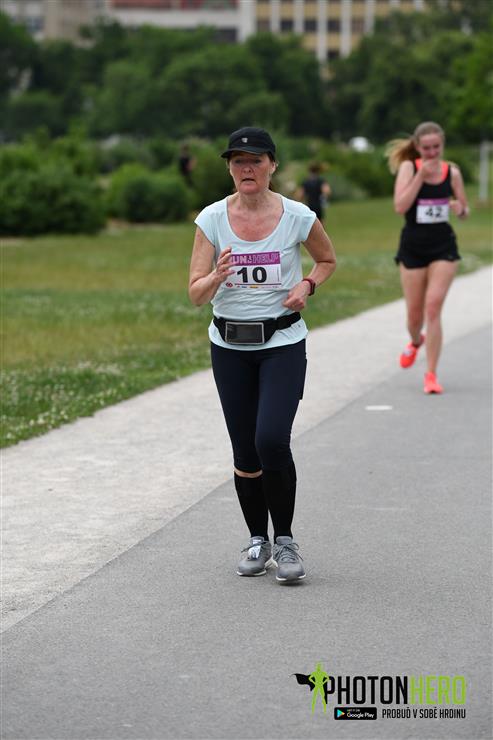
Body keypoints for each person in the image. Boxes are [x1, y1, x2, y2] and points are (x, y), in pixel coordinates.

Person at [188, 127, 336, 583]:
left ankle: (286, 540)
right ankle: (258, 539)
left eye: (255, 160)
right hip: (229, 347)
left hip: (282, 344)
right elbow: (195, 294)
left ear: (272, 165)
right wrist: (216, 277)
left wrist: (307, 285)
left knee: (271, 439)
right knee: (245, 450)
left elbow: (327, 260)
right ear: (229, 169)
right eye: (238, 161)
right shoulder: (212, 219)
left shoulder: (298, 216)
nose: (246, 168)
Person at [386, 121, 469, 394]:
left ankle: (431, 374)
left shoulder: (452, 172)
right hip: (413, 247)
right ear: (418, 147)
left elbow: (464, 209)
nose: (432, 153)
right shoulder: (409, 168)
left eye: (436, 147)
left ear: (442, 145)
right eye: (427, 148)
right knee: (414, 317)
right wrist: (420, 177)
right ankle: (415, 341)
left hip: (443, 247)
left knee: (433, 308)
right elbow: (400, 206)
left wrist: (459, 208)